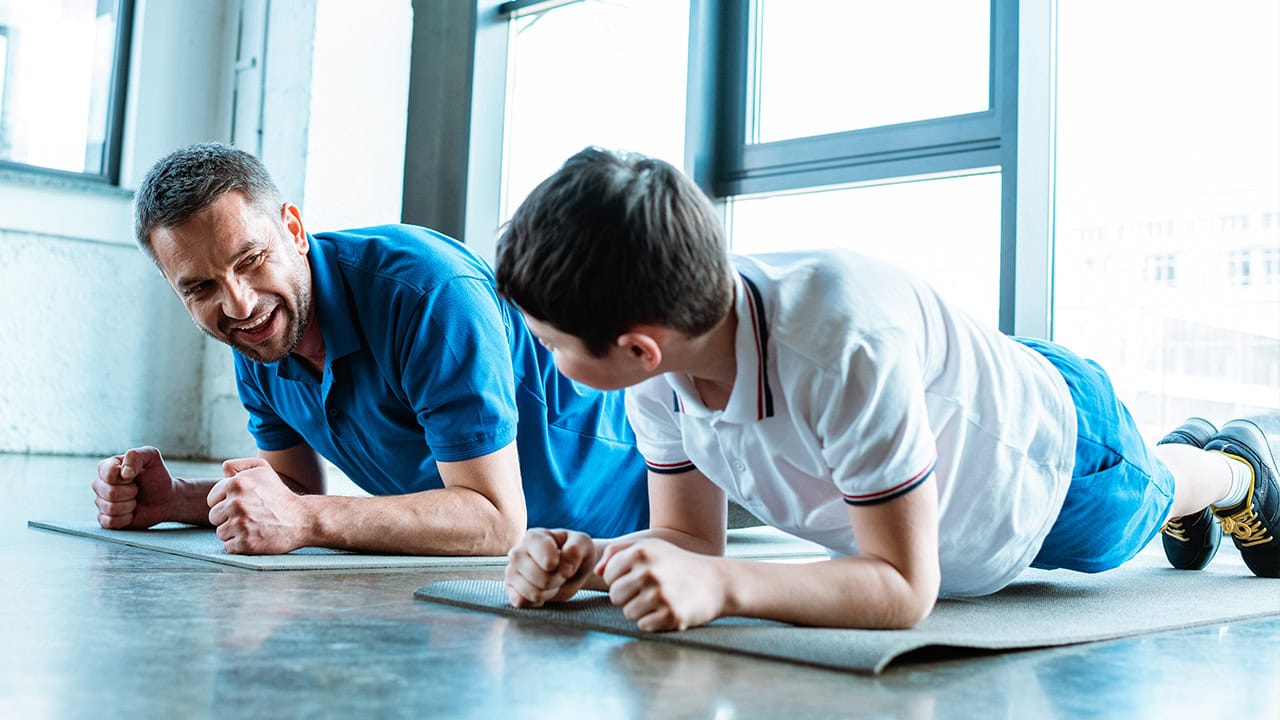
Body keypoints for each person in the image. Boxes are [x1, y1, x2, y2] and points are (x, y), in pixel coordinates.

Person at [495, 147, 1279, 632]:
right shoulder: (661, 377)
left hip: (1062, 457)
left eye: (550, 344)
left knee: (1148, 498)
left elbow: (904, 585)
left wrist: (726, 586)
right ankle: (1195, 472)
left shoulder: (840, 350)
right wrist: (593, 561)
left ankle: (1235, 466)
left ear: (636, 345)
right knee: (1148, 498)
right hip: (956, 400)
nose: (547, 358)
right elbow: (691, 544)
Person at [91, 143, 649, 555]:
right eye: (201, 287)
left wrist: (308, 521)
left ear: (293, 229)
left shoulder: (430, 295)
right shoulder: (260, 333)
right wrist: (179, 501)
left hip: (650, 500)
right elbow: (296, 490)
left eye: (249, 260)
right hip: (534, 569)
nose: (238, 304)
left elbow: (496, 521)